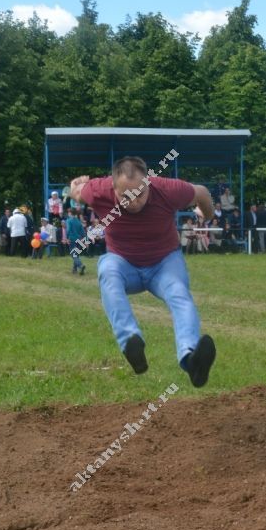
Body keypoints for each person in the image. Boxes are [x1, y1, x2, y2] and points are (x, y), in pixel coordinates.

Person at [68, 156, 217, 388]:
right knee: (107, 270)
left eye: (140, 193)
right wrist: (76, 183)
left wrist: (207, 216)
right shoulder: (98, 191)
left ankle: (191, 359)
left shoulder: (168, 189)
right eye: (126, 196)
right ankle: (130, 342)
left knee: (179, 294)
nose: (134, 201)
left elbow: (202, 192)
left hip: (164, 264)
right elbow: (76, 192)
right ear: (112, 187)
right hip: (124, 263)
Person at [64, 208, 86, 274]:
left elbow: (68, 230)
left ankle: (80, 265)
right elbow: (82, 232)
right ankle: (74, 270)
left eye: (68, 212)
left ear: (70, 213)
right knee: (76, 254)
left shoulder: (68, 220)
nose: (68, 213)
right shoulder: (78, 221)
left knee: (73, 255)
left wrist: (67, 238)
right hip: (79, 240)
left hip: (72, 239)